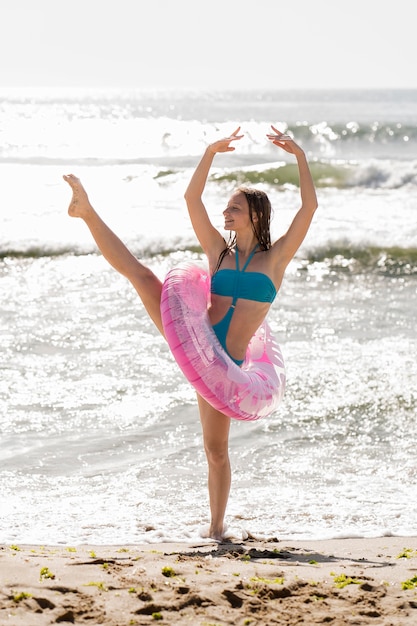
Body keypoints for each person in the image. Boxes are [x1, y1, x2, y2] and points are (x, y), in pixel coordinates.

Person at [63, 125, 318, 542]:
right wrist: (209, 153)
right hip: (196, 340)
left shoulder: (276, 259)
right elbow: (191, 199)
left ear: (255, 214)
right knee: (143, 277)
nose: (225, 213)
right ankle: (87, 212)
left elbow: (309, 207)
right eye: (226, 208)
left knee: (216, 451)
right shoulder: (219, 251)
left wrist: (300, 158)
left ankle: (217, 528)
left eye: (234, 207)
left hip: (227, 364)